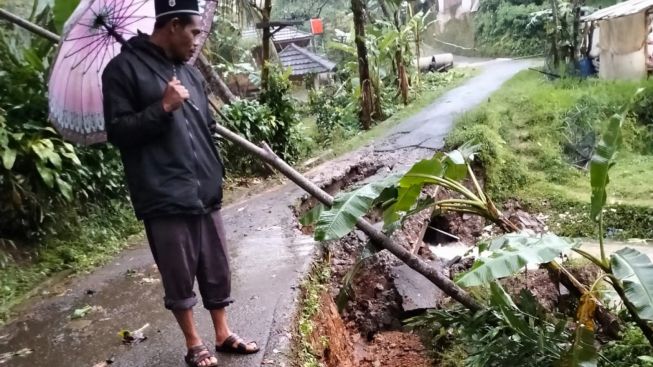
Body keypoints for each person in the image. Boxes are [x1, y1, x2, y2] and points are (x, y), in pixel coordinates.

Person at [101, 0, 259, 366]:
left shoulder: (189, 74)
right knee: (179, 270)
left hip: (205, 188)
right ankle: (193, 343)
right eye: (193, 31)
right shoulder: (121, 70)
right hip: (163, 192)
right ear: (172, 26)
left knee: (216, 266)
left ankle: (223, 334)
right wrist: (163, 107)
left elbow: (205, 127)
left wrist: (213, 168)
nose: (196, 41)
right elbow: (118, 131)